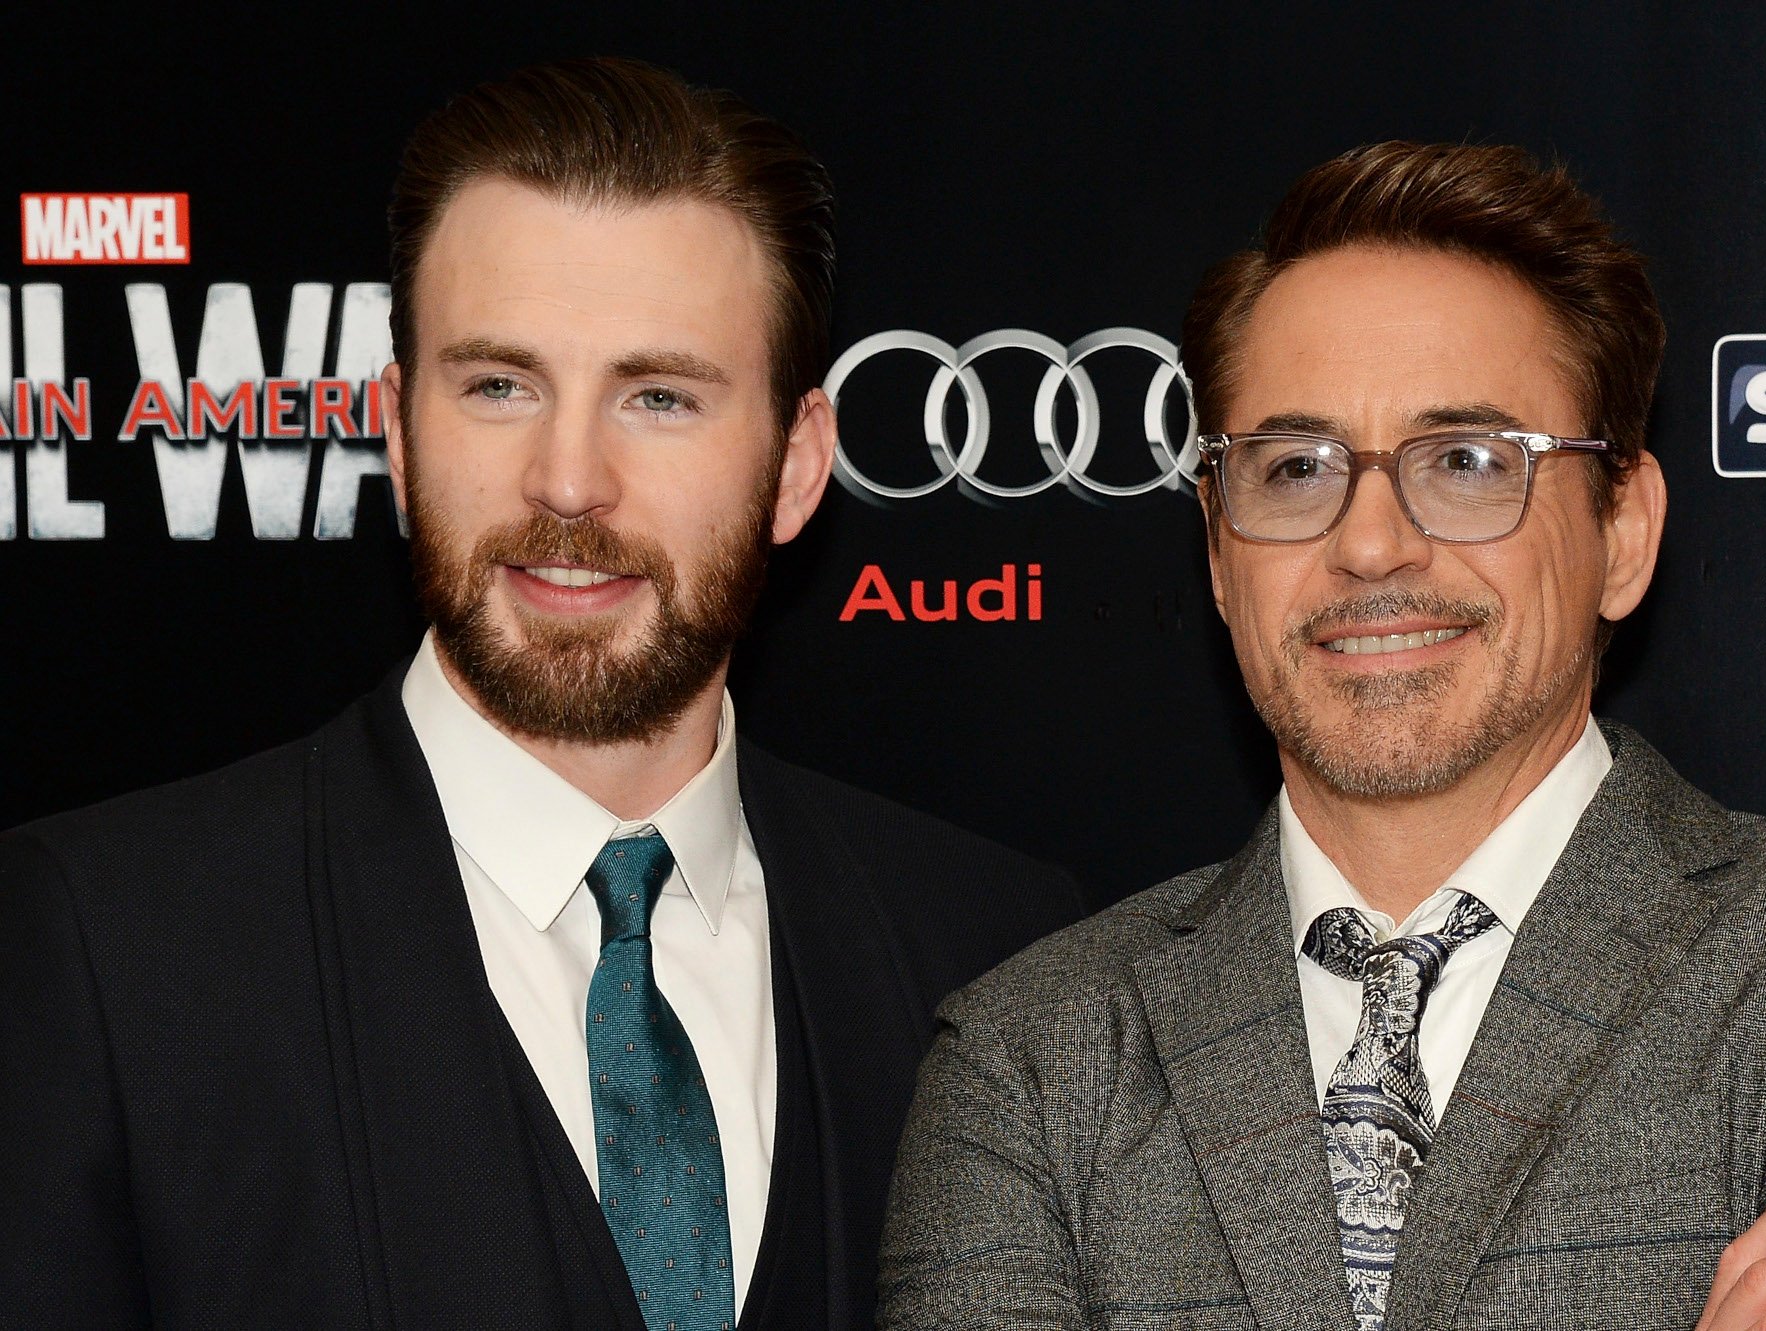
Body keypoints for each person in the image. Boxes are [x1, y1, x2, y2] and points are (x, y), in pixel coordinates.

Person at [0, 58, 1082, 1330]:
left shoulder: (1001, 958)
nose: (568, 480)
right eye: (499, 385)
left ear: (795, 467)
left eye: (659, 396)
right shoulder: (107, 949)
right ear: (398, 432)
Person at [877, 142, 1766, 1329]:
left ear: (1622, 530)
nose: (1370, 543)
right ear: (1215, 548)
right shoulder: (1030, 1058)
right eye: (1294, 466)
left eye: (1466, 462)